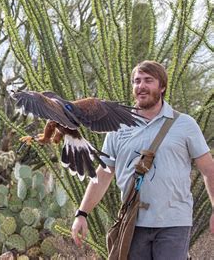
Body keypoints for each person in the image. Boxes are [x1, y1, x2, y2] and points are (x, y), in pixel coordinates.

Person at [71, 60, 214, 259]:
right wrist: (82, 213)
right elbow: (104, 173)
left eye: (148, 80)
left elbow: (208, 170)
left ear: (162, 86)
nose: (141, 86)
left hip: (173, 222)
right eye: (137, 81)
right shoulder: (118, 126)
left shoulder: (184, 124)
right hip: (133, 221)